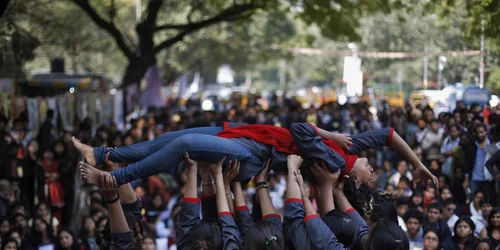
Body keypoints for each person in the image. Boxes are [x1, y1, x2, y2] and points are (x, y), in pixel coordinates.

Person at [74, 122, 437, 190]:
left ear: (354, 176)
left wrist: (327, 134)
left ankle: (115, 177)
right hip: (252, 134)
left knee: (181, 147)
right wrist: (418, 165)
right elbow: (389, 136)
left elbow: (299, 130)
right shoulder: (351, 148)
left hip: (256, 152)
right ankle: (104, 152)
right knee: (177, 134)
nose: (372, 166)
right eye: (372, 166)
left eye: (370, 173)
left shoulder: (334, 159)